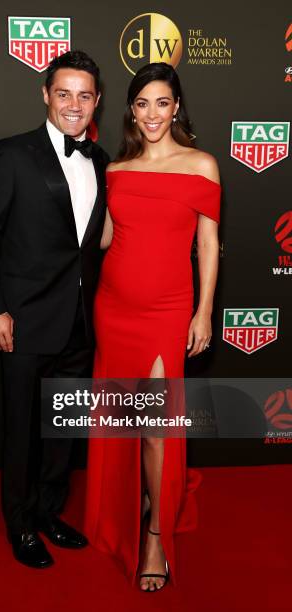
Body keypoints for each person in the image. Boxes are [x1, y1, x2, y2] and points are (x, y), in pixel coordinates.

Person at [0, 50, 109, 569]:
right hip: (21, 322)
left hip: (78, 321)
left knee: (61, 431)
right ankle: (20, 525)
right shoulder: (12, 154)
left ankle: (49, 512)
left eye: (85, 95)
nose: (74, 104)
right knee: (24, 431)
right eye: (64, 92)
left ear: (97, 102)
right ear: (46, 95)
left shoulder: (99, 160)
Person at [84, 62, 221, 592]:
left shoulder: (202, 165)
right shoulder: (117, 169)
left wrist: (204, 310)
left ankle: (156, 535)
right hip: (113, 306)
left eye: (162, 102)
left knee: (157, 427)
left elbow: (208, 243)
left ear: (177, 107)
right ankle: (132, 501)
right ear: (131, 110)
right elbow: (104, 238)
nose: (151, 114)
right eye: (142, 103)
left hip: (168, 309)